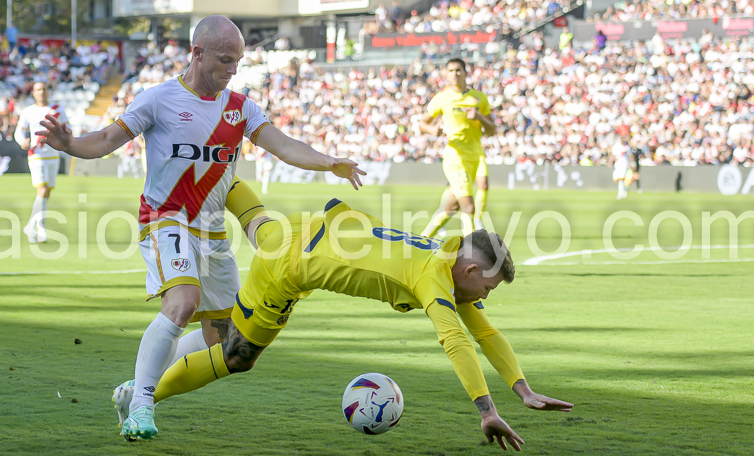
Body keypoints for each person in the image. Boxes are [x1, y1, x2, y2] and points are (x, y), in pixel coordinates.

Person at [35, 15, 365, 441]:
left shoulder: (241, 107)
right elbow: (104, 141)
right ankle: (141, 408)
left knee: (225, 344)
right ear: (197, 52)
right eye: (225, 60)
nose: (232, 70)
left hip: (212, 233)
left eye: (238, 62)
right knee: (183, 302)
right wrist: (69, 146)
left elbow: (281, 144)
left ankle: (135, 389)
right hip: (165, 218)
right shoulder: (158, 99)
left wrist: (327, 161)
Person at [113, 191, 574, 449]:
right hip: (287, 268)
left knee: (231, 301)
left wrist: (522, 388)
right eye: (488, 289)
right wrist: (487, 411)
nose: (484, 299)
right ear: (473, 271)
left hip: (308, 225)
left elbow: (485, 333)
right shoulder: (435, 278)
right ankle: (141, 395)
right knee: (236, 355)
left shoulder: (448, 255)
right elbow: (458, 343)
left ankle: (225, 171)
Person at [419, 58, 496, 237]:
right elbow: (423, 123)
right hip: (455, 158)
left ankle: (420, 241)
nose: (455, 74)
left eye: (458, 70)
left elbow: (492, 130)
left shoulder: (479, 98)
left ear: (465, 73)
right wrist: (433, 130)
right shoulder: (442, 98)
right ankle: (472, 252)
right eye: (451, 71)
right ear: (446, 74)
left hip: (475, 157)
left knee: (449, 208)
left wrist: (479, 117)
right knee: (468, 207)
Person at [14, 81, 70, 243]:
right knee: (43, 190)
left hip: (53, 155)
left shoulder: (57, 110)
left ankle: (30, 226)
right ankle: (40, 227)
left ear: (48, 91)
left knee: (47, 193)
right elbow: (19, 132)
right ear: (33, 92)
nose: (41, 92)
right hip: (36, 154)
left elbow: (66, 128)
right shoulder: (28, 111)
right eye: (38, 89)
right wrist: (22, 142)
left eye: (44, 89)